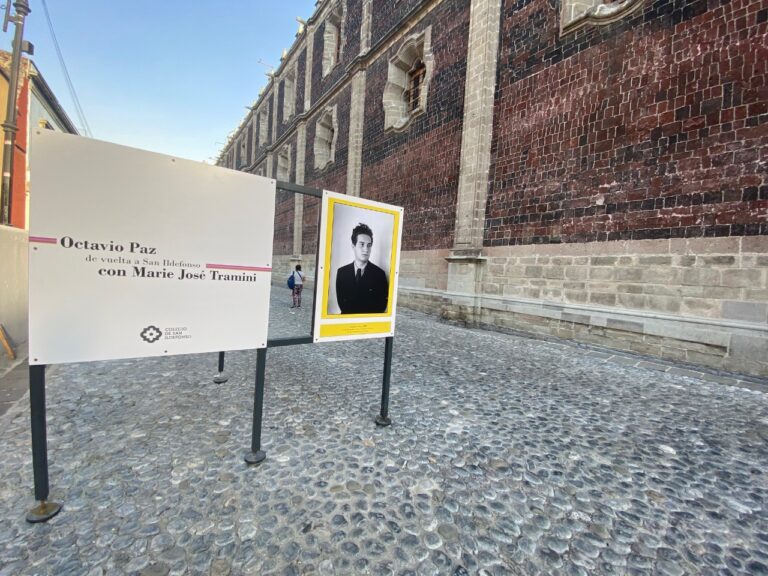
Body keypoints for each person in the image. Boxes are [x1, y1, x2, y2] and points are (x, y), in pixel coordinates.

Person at [335, 223, 388, 314]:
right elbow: (342, 304)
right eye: (362, 244)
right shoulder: (342, 272)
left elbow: (381, 306)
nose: (366, 249)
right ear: (353, 246)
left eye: (369, 245)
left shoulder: (379, 274)